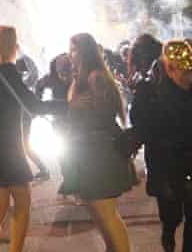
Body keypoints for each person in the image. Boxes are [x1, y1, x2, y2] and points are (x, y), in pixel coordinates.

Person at [0, 26, 63, 252]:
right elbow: (33, 105)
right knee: (22, 205)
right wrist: (68, 106)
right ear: (11, 45)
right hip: (8, 149)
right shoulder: (7, 71)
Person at [131, 40, 192, 252]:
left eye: (191, 72)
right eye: (183, 74)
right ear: (169, 68)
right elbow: (138, 121)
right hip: (163, 161)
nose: (189, 79)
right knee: (171, 213)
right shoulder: (149, 89)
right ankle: (168, 232)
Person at [63, 34, 135, 252]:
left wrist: (73, 107)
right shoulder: (82, 77)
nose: (70, 54)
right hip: (88, 154)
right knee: (100, 215)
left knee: (106, 214)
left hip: (99, 154)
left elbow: (103, 116)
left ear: (85, 52)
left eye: (74, 50)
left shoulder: (96, 77)